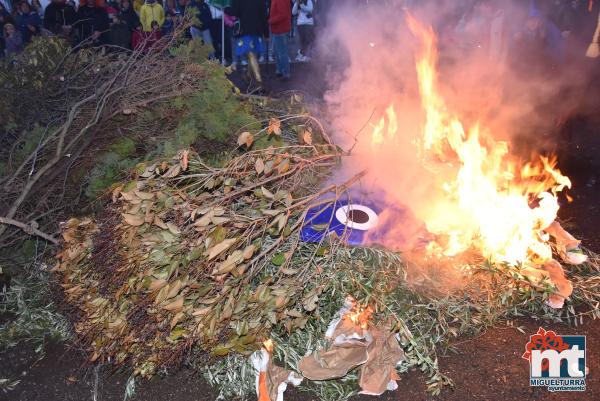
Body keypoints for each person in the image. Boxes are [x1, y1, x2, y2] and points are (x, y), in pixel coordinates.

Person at [227, 0, 269, 86]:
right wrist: (266, 33)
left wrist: (225, 9)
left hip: (246, 30)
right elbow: (264, 17)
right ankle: (248, 76)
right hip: (257, 31)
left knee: (251, 54)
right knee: (253, 54)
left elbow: (234, 11)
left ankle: (258, 80)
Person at [269, 0, 291, 79]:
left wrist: (271, 21)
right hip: (278, 29)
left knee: (281, 52)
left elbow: (283, 14)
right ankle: (280, 70)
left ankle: (285, 72)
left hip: (280, 29)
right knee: (277, 52)